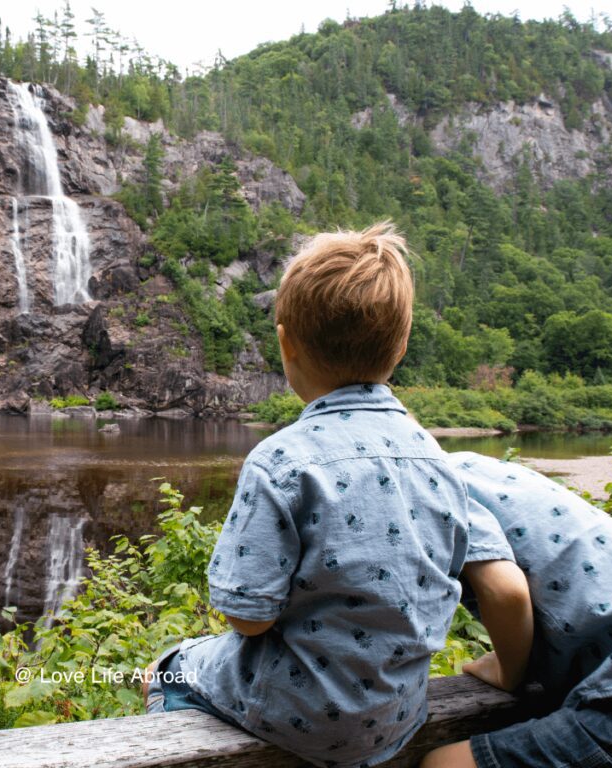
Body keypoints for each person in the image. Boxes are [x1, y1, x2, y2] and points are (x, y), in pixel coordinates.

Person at [143, 221, 471, 767]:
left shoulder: (280, 461)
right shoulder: (439, 461)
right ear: (402, 345)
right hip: (396, 714)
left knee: (170, 666)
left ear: (285, 341)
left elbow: (247, 617)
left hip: (301, 712)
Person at [421, 451, 612, 768]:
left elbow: (505, 591)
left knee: (444, 764)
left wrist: (506, 671)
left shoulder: (428, 481)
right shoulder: (476, 464)